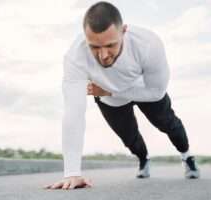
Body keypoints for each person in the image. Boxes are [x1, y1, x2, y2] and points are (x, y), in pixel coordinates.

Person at [43, 1, 200, 190]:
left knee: (168, 124)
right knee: (129, 138)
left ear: (123, 31)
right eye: (94, 47)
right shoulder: (74, 58)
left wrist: (111, 90)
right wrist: (72, 173)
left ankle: (186, 156)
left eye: (110, 45)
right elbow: (73, 114)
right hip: (110, 99)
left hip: (145, 91)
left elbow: (156, 91)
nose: (103, 55)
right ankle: (143, 160)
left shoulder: (148, 43)